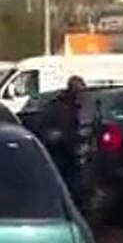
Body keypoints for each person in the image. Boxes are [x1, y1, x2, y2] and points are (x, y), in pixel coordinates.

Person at [42, 75, 88, 207]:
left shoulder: (81, 106)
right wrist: (58, 136)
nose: (80, 94)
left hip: (74, 151)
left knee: (76, 183)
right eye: (78, 91)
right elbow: (46, 129)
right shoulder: (57, 106)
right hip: (60, 151)